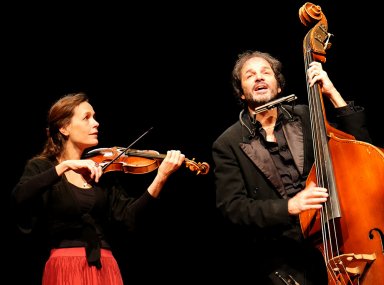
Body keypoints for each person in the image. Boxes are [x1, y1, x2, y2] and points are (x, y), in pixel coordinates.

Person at [212, 50, 372, 285]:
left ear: (278, 87)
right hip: (284, 258)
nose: (259, 77)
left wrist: (332, 93)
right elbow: (234, 209)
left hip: (338, 237)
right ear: (241, 92)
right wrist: (291, 206)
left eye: (266, 72)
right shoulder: (228, 143)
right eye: (250, 75)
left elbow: (360, 150)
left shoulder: (307, 116)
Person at [11, 92, 185, 285]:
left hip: (105, 267)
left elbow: (129, 219)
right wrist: (65, 166)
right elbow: (20, 197)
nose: (96, 123)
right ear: (64, 128)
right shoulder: (42, 167)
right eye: (86, 118)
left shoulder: (101, 170)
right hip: (66, 267)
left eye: (94, 117)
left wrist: (161, 177)